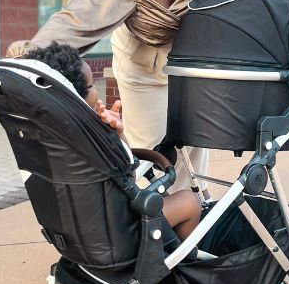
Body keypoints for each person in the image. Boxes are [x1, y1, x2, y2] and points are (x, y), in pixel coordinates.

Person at [9, 0, 234, 187]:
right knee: (154, 158)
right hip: (145, 68)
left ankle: (192, 215)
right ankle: (160, 223)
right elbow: (70, 22)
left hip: (194, 60)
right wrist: (26, 60)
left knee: (194, 145)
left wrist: (277, 14)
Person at [23, 42, 201, 241]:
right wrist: (117, 134)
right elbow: (129, 175)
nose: (95, 90)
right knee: (188, 202)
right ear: (73, 94)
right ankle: (181, 261)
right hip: (116, 230)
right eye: (90, 85)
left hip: (72, 231)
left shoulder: (42, 138)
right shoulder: (92, 135)